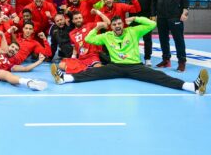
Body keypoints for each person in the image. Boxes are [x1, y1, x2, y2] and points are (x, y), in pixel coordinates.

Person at [50, 16, 209, 96]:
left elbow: (152, 24)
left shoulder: (133, 31)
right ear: (111, 27)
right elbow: (89, 39)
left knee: (159, 77)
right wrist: (97, 27)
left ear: (123, 25)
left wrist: (135, 19)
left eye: (119, 24)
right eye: (114, 25)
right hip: (116, 66)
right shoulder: (107, 36)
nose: (117, 26)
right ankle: (65, 79)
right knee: (92, 73)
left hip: (134, 66)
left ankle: (193, 87)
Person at [152, 0, 189, 72]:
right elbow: (154, 0)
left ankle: (182, 62)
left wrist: (185, 10)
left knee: (178, 39)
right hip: (161, 16)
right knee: (163, 39)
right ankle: (166, 60)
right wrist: (153, 15)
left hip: (175, 15)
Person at [55, 10, 110, 74]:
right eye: (76, 18)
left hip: (92, 56)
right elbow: (75, 48)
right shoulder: (71, 33)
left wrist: (98, 12)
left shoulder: (89, 26)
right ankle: (87, 69)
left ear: (82, 19)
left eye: (79, 18)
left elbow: (108, 23)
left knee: (98, 68)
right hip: (81, 59)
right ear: (73, 21)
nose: (78, 20)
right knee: (61, 65)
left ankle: (85, 69)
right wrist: (73, 58)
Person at [123, 0, 154, 66]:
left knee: (147, 38)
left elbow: (154, 0)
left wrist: (153, 14)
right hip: (132, 15)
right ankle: (134, 57)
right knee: (132, 38)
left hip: (146, 15)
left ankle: (148, 58)